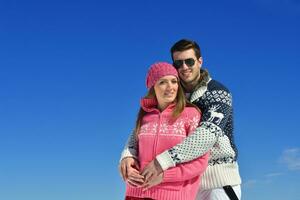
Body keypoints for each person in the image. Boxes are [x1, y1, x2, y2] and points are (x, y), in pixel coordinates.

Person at [120, 39, 242, 200]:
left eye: (189, 61)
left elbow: (206, 136)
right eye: (178, 63)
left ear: (200, 61)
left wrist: (162, 161)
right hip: (184, 184)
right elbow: (146, 126)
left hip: (217, 180)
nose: (184, 67)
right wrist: (128, 153)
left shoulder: (218, 92)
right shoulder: (173, 91)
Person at [123, 62, 209, 200]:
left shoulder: (190, 114)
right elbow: (134, 151)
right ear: (153, 87)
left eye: (174, 81)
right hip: (135, 194)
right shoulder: (145, 116)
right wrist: (129, 167)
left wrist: (164, 176)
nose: (170, 87)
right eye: (162, 82)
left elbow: (200, 162)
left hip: (174, 195)